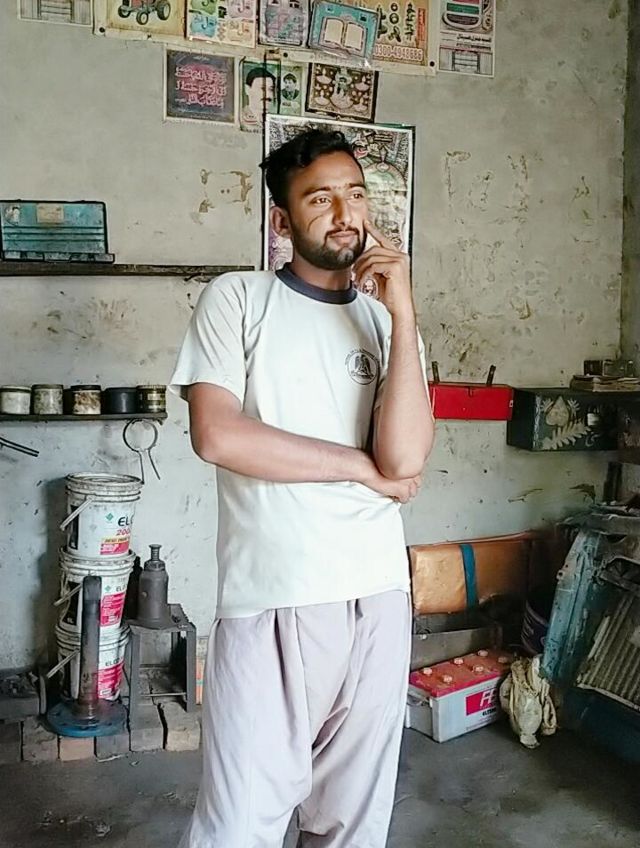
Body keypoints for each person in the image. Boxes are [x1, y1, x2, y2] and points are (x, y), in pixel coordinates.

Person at [170, 129, 435, 848]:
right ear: (282, 221)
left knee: (352, 823)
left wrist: (404, 312)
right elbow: (218, 435)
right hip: (274, 598)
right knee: (238, 826)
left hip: (379, 599)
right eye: (320, 199)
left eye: (356, 195)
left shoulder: (386, 322)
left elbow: (404, 457)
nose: (345, 214)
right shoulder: (238, 299)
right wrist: (357, 467)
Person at [242, 64, 277, 129]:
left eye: (271, 89)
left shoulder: (275, 122)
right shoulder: (240, 118)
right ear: (247, 89)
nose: (268, 95)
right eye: (263, 88)